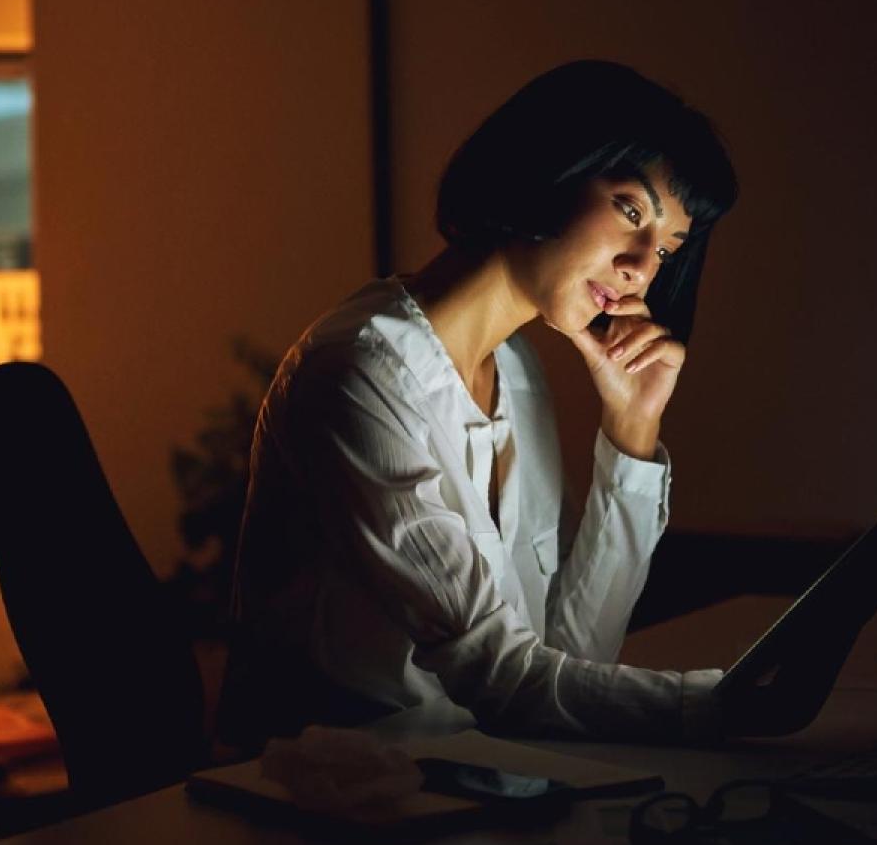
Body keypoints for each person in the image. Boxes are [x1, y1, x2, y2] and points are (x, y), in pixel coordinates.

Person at [219, 61, 742, 749]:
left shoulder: (516, 370)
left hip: (468, 786)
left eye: (667, 249)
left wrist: (633, 428)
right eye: (631, 210)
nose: (643, 264)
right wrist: (726, 706)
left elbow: (572, 662)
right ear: (549, 168)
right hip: (332, 804)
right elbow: (503, 681)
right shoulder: (359, 369)